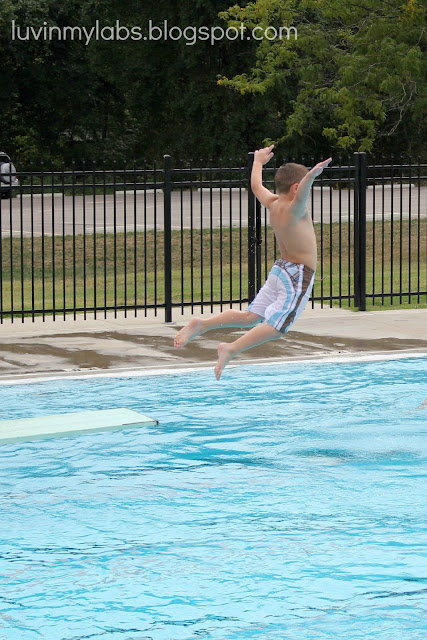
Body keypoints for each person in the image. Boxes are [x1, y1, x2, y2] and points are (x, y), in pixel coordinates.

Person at [174, 145, 332, 379]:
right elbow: (303, 192)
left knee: (251, 317)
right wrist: (312, 175)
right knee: (278, 327)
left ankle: (203, 324)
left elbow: (256, 186)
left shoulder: (273, 203)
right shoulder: (295, 210)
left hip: (280, 271)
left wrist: (258, 162)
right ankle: (231, 349)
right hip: (297, 275)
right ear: (296, 188)